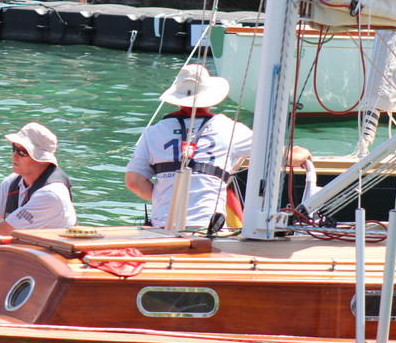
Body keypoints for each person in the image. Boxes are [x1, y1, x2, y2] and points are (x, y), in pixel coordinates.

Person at [125, 64, 308, 230]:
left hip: (162, 225)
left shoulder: (153, 132)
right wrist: (302, 153)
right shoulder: (228, 128)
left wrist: (165, 196)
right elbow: (280, 157)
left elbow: (134, 181)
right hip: (208, 226)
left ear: (178, 98)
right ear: (211, 98)